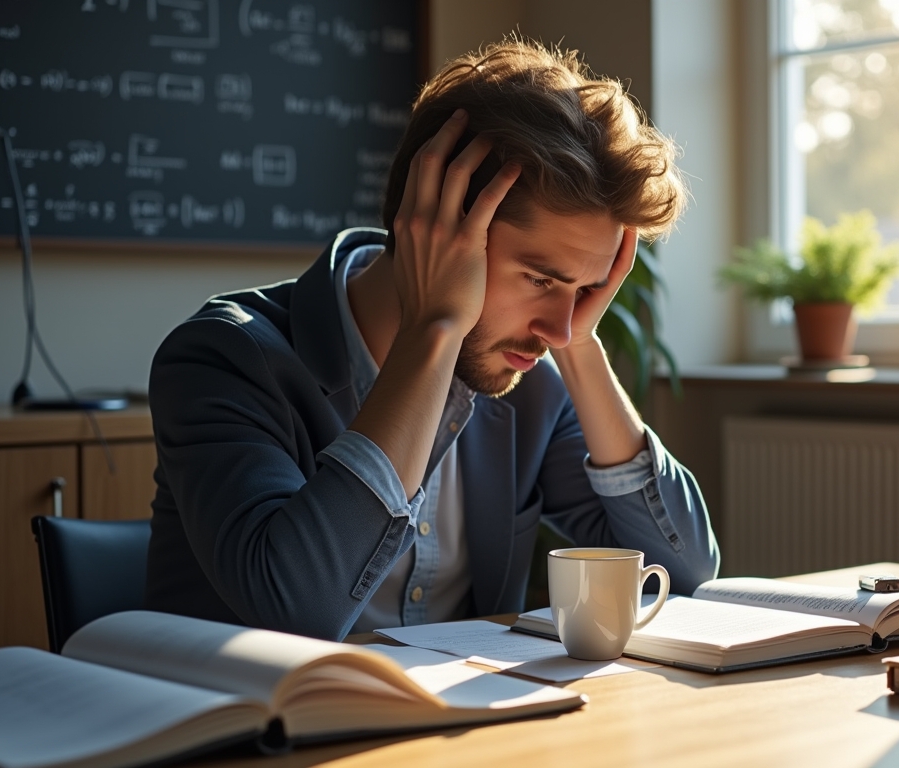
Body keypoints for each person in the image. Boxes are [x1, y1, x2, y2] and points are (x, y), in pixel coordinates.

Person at [144, 40, 721, 641]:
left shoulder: (532, 386)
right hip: (253, 703)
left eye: (586, 288)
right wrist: (433, 330)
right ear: (431, 229)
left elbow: (682, 574)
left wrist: (582, 347)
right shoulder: (224, 359)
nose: (558, 327)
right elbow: (297, 611)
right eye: (540, 279)